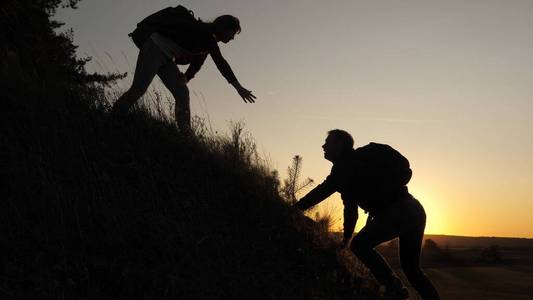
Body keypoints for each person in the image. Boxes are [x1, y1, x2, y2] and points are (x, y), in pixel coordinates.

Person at [294, 130, 440, 300]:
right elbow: (350, 210)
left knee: (360, 245)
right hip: (415, 210)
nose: (323, 146)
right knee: (412, 270)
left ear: (340, 144)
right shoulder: (355, 163)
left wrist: (294, 209)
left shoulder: (344, 168)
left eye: (328, 142)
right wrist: (347, 237)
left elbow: (322, 192)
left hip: (398, 211)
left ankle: (395, 289)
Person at [112, 5, 256, 132]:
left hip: (167, 58)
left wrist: (186, 77)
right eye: (232, 32)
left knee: (182, 91)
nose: (232, 38)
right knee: (139, 88)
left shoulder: (208, 42)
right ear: (223, 27)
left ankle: (185, 133)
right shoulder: (205, 34)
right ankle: (115, 116)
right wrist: (238, 87)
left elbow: (197, 64)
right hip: (154, 48)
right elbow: (221, 63)